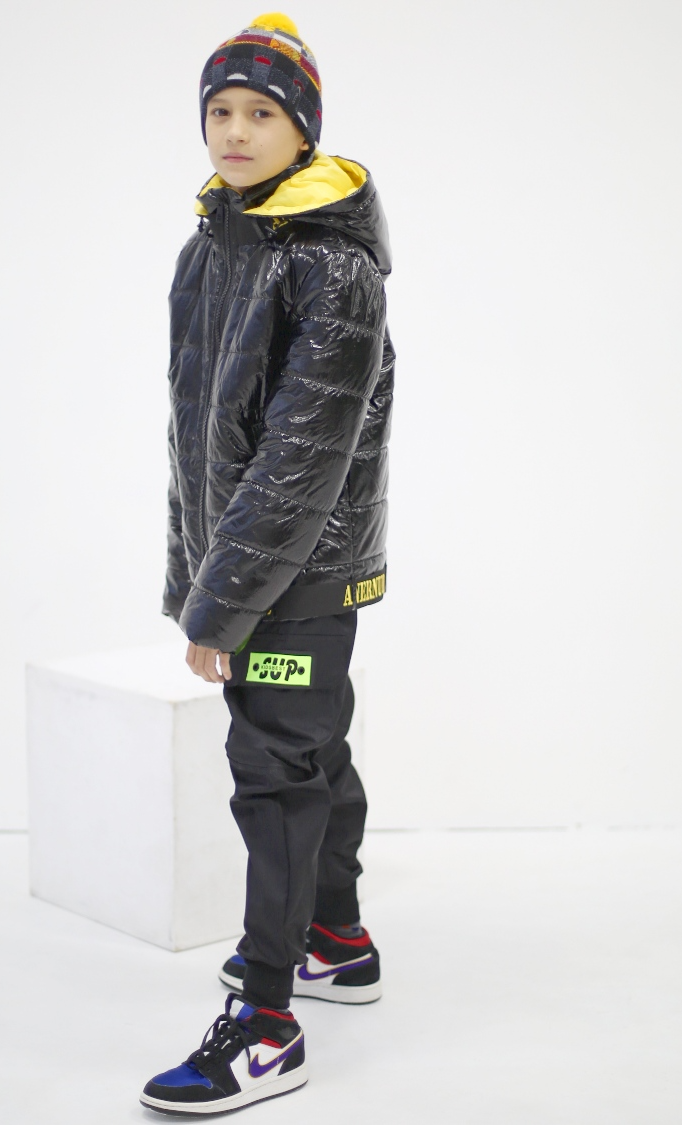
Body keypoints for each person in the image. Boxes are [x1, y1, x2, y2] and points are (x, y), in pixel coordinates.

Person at [141, 11, 395, 1116]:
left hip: (294, 575)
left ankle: (268, 1023)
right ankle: (335, 938)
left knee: (276, 773)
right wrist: (193, 577)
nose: (236, 132)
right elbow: (199, 436)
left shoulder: (330, 269)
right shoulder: (214, 245)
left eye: (261, 113)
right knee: (310, 753)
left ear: (304, 131)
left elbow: (298, 460)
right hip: (250, 566)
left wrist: (221, 606)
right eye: (220, 111)